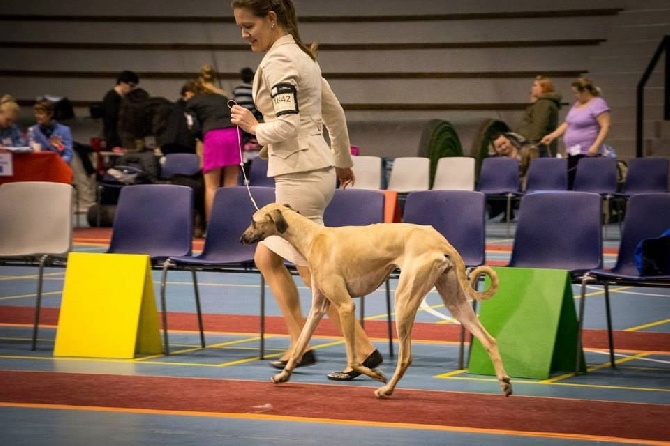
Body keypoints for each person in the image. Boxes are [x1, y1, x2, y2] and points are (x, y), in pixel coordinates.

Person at [230, 0, 382, 381]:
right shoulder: (304, 58)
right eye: (240, 27)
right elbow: (335, 114)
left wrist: (251, 125)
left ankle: (345, 347)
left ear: (271, 19)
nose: (244, 34)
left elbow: (285, 126)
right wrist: (343, 159)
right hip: (314, 170)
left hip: (299, 173)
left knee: (309, 267)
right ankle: (319, 343)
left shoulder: (281, 61)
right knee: (273, 259)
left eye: (249, 25)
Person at [184, 79, 240, 222]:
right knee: (231, 183)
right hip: (234, 134)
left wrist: (201, 137)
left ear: (190, 92)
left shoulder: (192, 102)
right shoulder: (222, 98)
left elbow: (192, 126)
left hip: (214, 135)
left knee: (211, 186)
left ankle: (211, 227)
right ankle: (230, 224)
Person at [541, 77, 611, 189]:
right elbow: (568, 123)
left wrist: (595, 146)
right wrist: (552, 135)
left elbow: (605, 126)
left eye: (576, 93)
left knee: (584, 185)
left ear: (585, 91)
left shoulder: (598, 103)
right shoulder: (577, 104)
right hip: (573, 152)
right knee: (570, 183)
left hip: (587, 153)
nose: (575, 96)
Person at [487, 131, 538, 220]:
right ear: (495, 150)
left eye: (504, 143)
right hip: (507, 182)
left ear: (509, 141)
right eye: (499, 146)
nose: (503, 147)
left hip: (525, 179)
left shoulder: (524, 151)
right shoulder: (497, 160)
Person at [516, 75, 562, 157]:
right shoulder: (543, 103)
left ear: (543, 88)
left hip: (537, 148)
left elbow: (539, 126)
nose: (532, 88)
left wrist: (531, 146)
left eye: (535, 85)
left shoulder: (544, 104)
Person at [101, 70, 139, 150]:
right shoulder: (111, 98)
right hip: (113, 139)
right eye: (131, 86)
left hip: (119, 137)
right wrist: (114, 144)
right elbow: (111, 122)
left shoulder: (123, 98)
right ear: (122, 83)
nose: (131, 89)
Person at [27, 99, 73, 163]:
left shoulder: (64, 130)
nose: (37, 116)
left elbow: (68, 155)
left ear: (50, 114)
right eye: (36, 113)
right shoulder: (32, 130)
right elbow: (28, 153)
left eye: (40, 113)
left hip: (58, 166)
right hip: (39, 166)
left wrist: (56, 162)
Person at [160, 83, 198, 156]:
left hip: (168, 144)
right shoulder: (191, 109)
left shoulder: (170, 108)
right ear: (188, 93)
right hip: (186, 145)